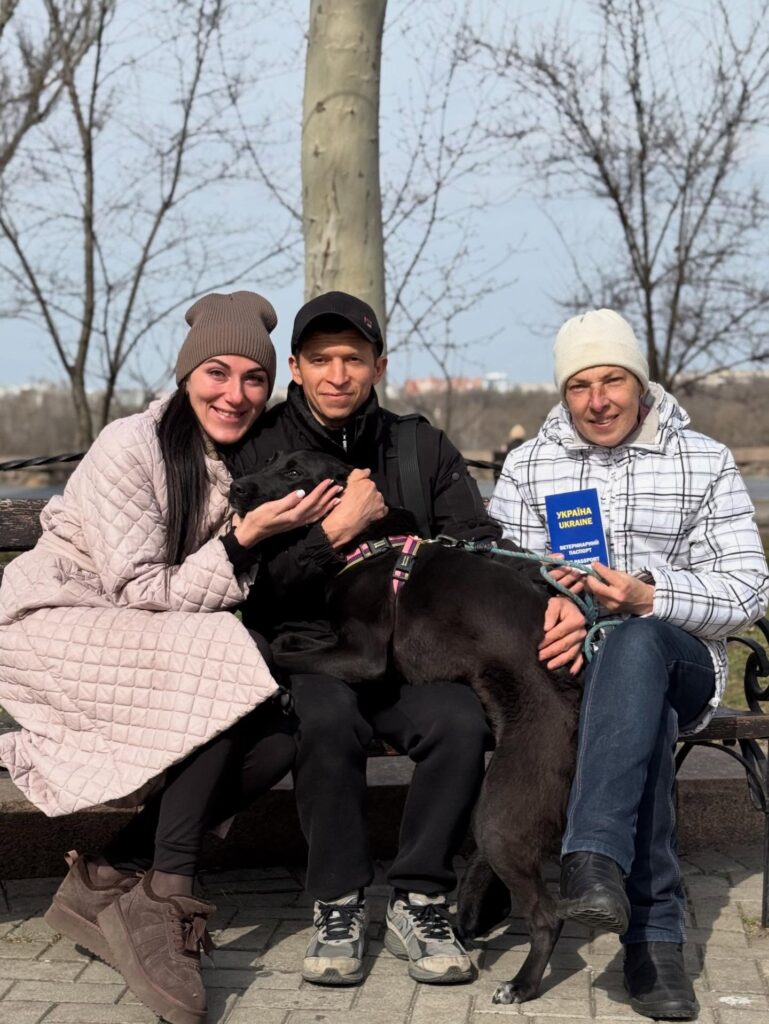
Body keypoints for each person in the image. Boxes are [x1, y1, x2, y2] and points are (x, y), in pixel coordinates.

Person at [0, 291, 342, 1024]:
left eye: (253, 379)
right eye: (217, 373)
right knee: (218, 659)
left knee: (279, 738)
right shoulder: (132, 445)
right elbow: (141, 591)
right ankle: (165, 897)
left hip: (143, 640)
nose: (235, 393)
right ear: (188, 375)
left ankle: (106, 874)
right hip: (54, 623)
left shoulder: (243, 462)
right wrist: (245, 539)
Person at [229, 290, 587, 988]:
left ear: (379, 366)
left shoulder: (418, 445)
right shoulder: (260, 449)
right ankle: (338, 902)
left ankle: (419, 897)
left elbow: (477, 542)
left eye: (353, 359)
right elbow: (246, 580)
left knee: (457, 721)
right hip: (312, 647)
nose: (338, 374)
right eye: (321, 360)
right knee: (326, 720)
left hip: (412, 658)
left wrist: (558, 601)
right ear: (295, 368)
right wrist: (331, 537)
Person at [489, 308, 769, 1021]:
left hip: (684, 659)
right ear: (562, 392)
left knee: (639, 645)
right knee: (637, 709)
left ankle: (590, 855)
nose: (598, 400)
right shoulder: (529, 466)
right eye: (579, 386)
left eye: (612, 380)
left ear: (639, 382)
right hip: (566, 670)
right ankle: (653, 940)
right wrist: (555, 603)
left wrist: (649, 595)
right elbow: (501, 579)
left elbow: (748, 589)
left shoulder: (702, 460)